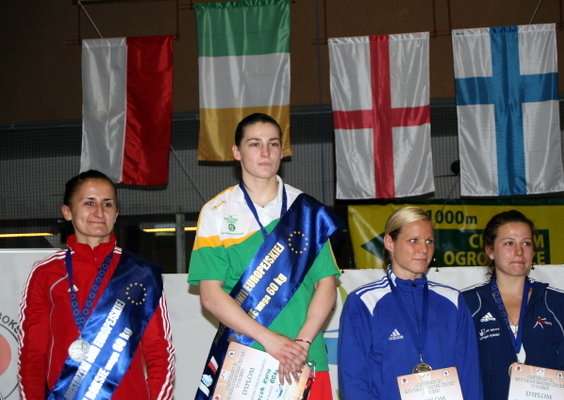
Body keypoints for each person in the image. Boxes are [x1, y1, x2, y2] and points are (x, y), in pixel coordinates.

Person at [188, 113, 342, 399]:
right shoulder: (216, 212)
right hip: (246, 363)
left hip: (304, 359)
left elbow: (327, 284)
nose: (265, 152)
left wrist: (301, 344)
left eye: (273, 143)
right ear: (236, 152)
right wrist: (271, 341)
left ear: (282, 151)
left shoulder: (307, 211)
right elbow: (210, 295)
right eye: (254, 144)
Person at [18, 170, 175, 400]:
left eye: (107, 204)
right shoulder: (46, 273)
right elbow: (32, 354)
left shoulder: (141, 273)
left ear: (116, 213)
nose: (99, 212)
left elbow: (159, 352)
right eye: (89, 203)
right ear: (67, 212)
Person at [338, 206, 482, 400]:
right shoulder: (364, 302)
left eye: (429, 241)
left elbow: (469, 375)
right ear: (389, 242)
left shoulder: (452, 300)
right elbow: (353, 382)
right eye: (414, 240)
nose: (424, 249)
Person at [462, 210, 564, 400]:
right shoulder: (468, 303)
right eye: (509, 243)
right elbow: (457, 367)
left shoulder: (555, 301)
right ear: (490, 250)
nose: (519, 251)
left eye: (526, 243)